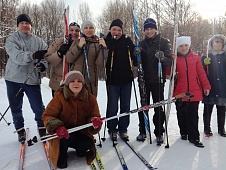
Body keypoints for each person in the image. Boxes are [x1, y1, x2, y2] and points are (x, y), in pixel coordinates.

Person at [42, 70, 102, 169]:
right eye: (72, 81)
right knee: (63, 142)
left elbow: (95, 115)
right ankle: (62, 156)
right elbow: (48, 115)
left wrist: (94, 122)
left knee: (87, 144)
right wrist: (57, 127)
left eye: (79, 81)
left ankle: (80, 149)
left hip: (82, 132)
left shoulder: (90, 98)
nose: (76, 83)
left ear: (82, 84)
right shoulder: (59, 97)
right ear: (67, 83)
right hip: (63, 133)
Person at [4, 14, 48, 143]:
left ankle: (42, 126)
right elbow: (16, 56)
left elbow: (46, 56)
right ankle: (20, 129)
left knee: (38, 106)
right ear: (18, 25)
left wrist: (43, 66)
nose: (25, 25)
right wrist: (33, 55)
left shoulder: (39, 41)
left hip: (32, 79)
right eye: (22, 23)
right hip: (13, 78)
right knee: (16, 106)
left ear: (31, 26)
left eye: (27, 23)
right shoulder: (12, 39)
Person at [137, 18, 172, 144]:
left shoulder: (163, 42)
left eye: (151, 28)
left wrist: (162, 57)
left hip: (158, 79)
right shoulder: (140, 44)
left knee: (158, 106)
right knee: (143, 106)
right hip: (143, 80)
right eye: (147, 29)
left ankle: (159, 132)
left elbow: (170, 61)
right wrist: (136, 55)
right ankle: (142, 130)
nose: (149, 31)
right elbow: (136, 63)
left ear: (155, 29)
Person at [174, 36, 211, 148]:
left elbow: (201, 73)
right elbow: (169, 75)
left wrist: (206, 86)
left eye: (185, 45)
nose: (183, 48)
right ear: (177, 47)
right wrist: (170, 61)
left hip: (194, 91)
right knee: (181, 113)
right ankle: (184, 132)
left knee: (193, 115)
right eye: (181, 46)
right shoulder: (175, 59)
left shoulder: (195, 58)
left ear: (189, 46)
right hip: (180, 92)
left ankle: (194, 136)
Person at [104, 19, 137, 141]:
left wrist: (138, 56)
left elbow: (134, 57)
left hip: (126, 80)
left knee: (125, 105)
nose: (116, 32)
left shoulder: (127, 41)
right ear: (110, 30)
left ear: (122, 31)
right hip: (112, 81)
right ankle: (112, 128)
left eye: (119, 30)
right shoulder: (106, 41)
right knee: (112, 106)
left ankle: (123, 128)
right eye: (114, 30)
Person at [65, 20, 107, 97]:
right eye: (86, 28)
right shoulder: (77, 42)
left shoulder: (98, 44)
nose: (88, 30)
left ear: (94, 30)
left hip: (90, 81)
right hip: (76, 80)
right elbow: (69, 58)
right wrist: (79, 46)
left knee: (89, 105)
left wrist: (104, 48)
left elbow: (100, 64)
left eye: (91, 28)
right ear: (83, 30)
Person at [45, 22, 81, 97]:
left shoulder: (81, 44)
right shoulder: (59, 42)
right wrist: (59, 53)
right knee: (58, 107)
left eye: (77, 31)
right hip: (58, 83)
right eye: (71, 30)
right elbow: (48, 59)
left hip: (76, 83)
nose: (74, 32)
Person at [202, 34, 226, 137]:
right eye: (215, 43)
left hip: (222, 87)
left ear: (223, 44)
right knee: (208, 109)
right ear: (211, 44)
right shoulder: (207, 56)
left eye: (219, 42)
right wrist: (203, 62)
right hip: (210, 87)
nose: (217, 44)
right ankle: (207, 128)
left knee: (221, 110)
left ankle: (221, 128)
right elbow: (201, 72)